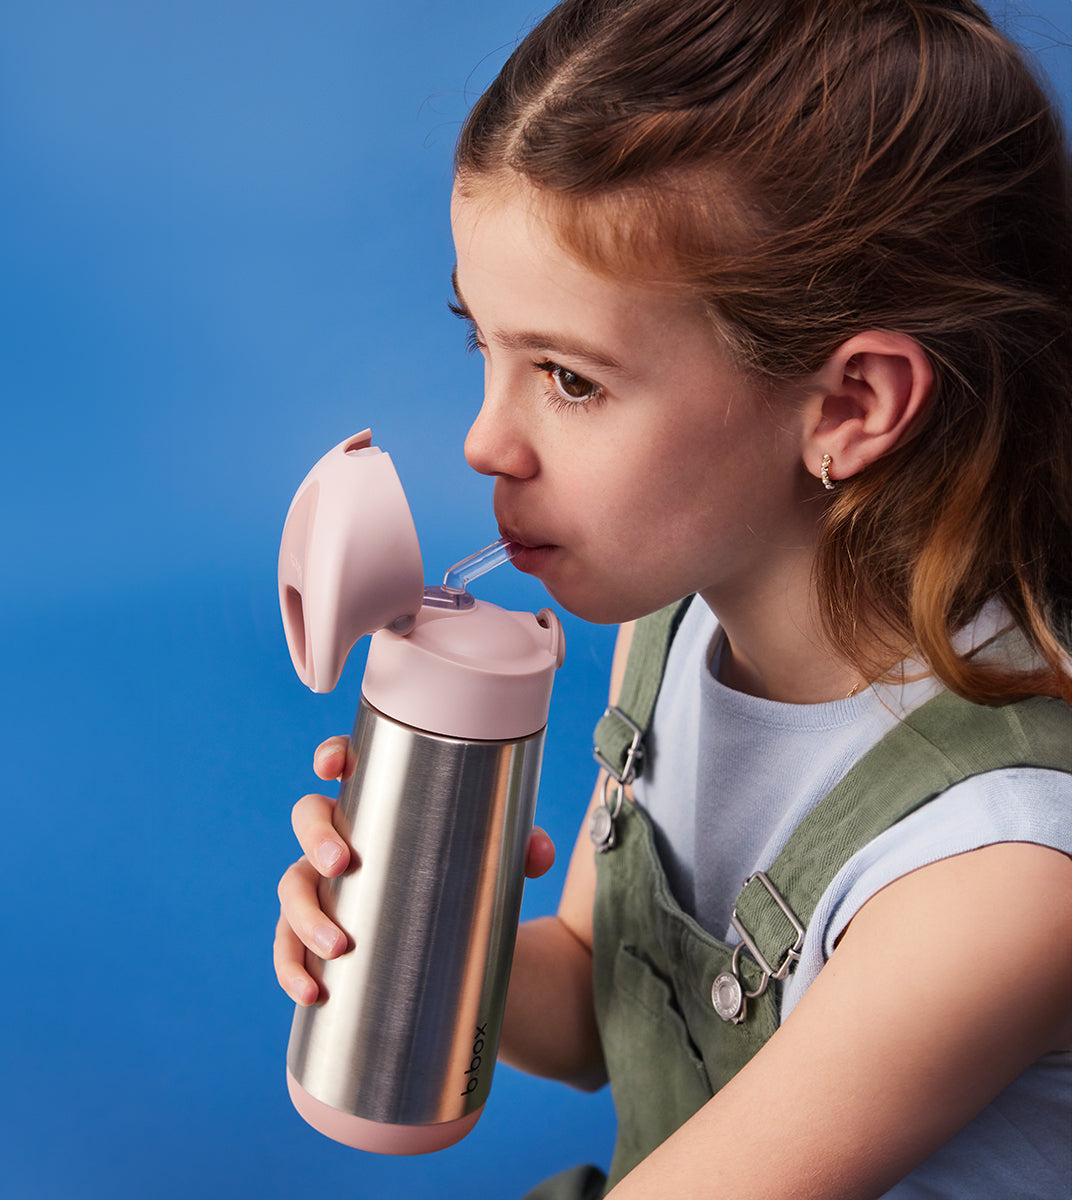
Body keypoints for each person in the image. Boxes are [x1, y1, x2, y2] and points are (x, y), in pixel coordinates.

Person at [274, 1, 1072, 1195]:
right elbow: (601, 1003)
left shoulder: (999, 871)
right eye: (480, 345)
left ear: (850, 407)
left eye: (569, 378)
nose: (486, 442)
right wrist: (416, 916)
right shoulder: (678, 616)